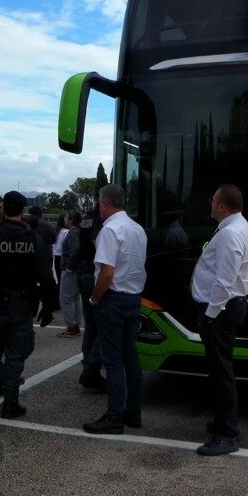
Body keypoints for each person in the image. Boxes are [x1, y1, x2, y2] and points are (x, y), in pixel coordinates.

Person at [0, 191, 54, 419]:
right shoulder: (33, 239)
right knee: (16, 354)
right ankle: (10, 401)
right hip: (22, 303)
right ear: (23, 211)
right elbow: (46, 276)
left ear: (3, 209)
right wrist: (48, 307)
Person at [189, 184, 248, 456]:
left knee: (221, 374)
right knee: (220, 371)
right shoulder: (238, 227)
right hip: (226, 309)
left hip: (221, 311)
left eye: (213, 199)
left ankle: (227, 434)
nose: (210, 203)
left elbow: (224, 281)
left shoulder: (230, 234)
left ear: (222, 206)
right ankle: (222, 422)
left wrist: (210, 315)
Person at [82, 185, 148, 436]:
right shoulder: (137, 228)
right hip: (133, 298)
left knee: (113, 361)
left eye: (100, 203)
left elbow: (107, 272)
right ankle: (133, 412)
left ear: (106, 204)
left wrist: (94, 298)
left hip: (113, 300)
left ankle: (113, 417)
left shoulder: (110, 230)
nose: (99, 208)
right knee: (131, 358)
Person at [73, 211, 106, 391]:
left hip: (83, 272)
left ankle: (88, 365)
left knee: (91, 326)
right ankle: (91, 368)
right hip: (93, 273)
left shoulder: (86, 218)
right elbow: (98, 244)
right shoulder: (99, 220)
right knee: (105, 324)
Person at [56, 211, 84, 338]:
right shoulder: (79, 231)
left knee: (66, 298)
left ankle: (71, 326)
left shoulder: (72, 232)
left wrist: (69, 266)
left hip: (70, 269)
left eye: (66, 217)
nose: (65, 219)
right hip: (78, 270)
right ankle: (76, 325)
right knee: (75, 299)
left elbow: (75, 249)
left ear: (71, 220)